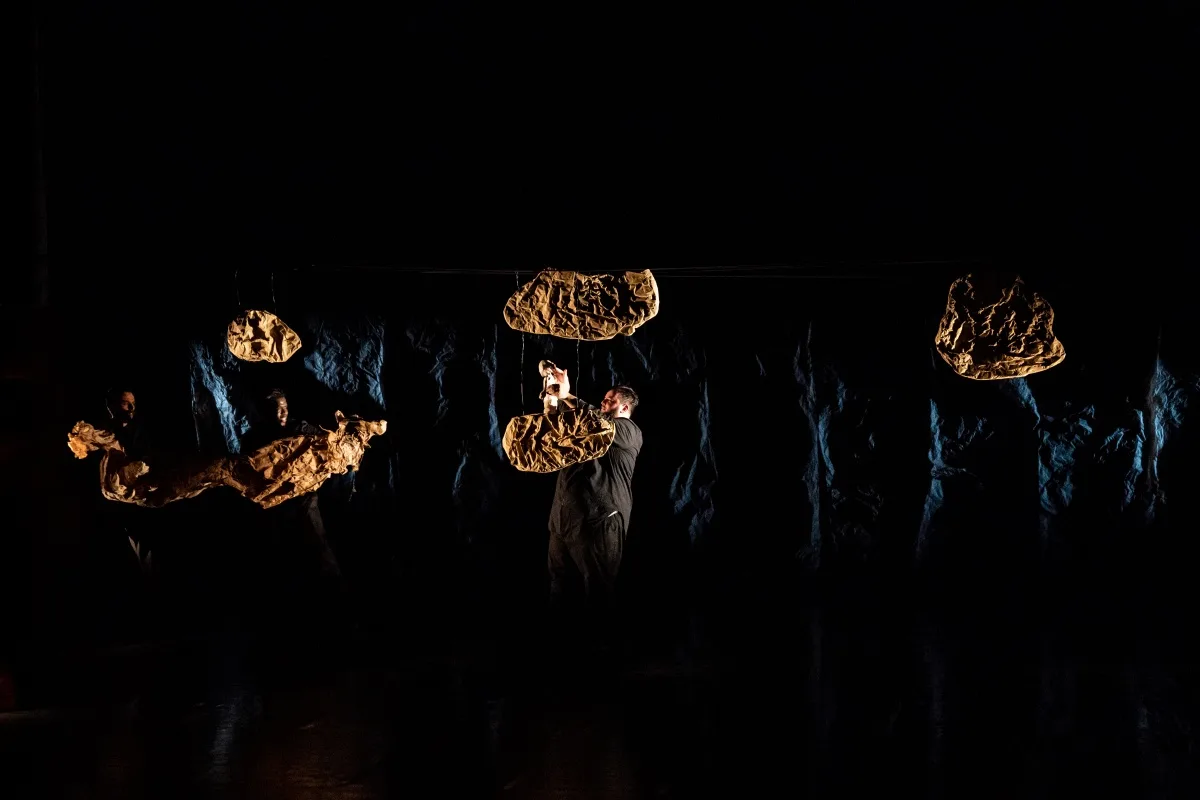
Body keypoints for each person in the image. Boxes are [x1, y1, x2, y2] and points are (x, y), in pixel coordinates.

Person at [542, 366, 643, 649]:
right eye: (604, 399)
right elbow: (563, 429)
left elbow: (598, 422)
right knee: (559, 586)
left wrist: (568, 396)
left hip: (600, 520)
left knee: (598, 590)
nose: (603, 402)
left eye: (610, 400)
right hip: (564, 519)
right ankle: (558, 650)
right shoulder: (588, 426)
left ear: (625, 407)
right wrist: (554, 398)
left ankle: (599, 656)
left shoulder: (628, 431)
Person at [240, 389, 347, 627]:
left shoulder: (300, 429)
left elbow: (326, 443)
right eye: (277, 409)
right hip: (274, 506)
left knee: (318, 548)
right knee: (281, 556)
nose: (283, 413)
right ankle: (288, 618)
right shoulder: (254, 439)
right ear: (264, 412)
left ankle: (339, 609)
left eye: (285, 407)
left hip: (304, 501)